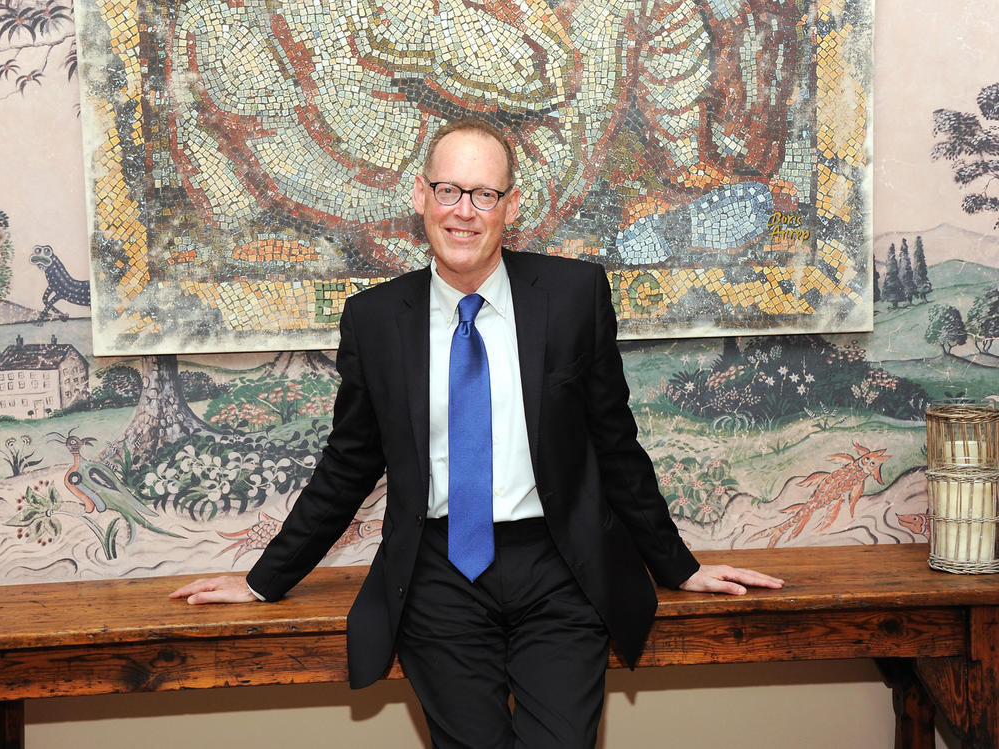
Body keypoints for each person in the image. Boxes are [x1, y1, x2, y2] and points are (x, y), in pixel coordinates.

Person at [171, 118, 783, 748]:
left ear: (509, 207)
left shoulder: (574, 296)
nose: (464, 212)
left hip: (559, 570)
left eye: (483, 195)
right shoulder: (376, 320)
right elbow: (349, 463)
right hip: (437, 576)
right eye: (449, 191)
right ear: (421, 198)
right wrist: (260, 579)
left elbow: (616, 446)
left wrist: (678, 567)